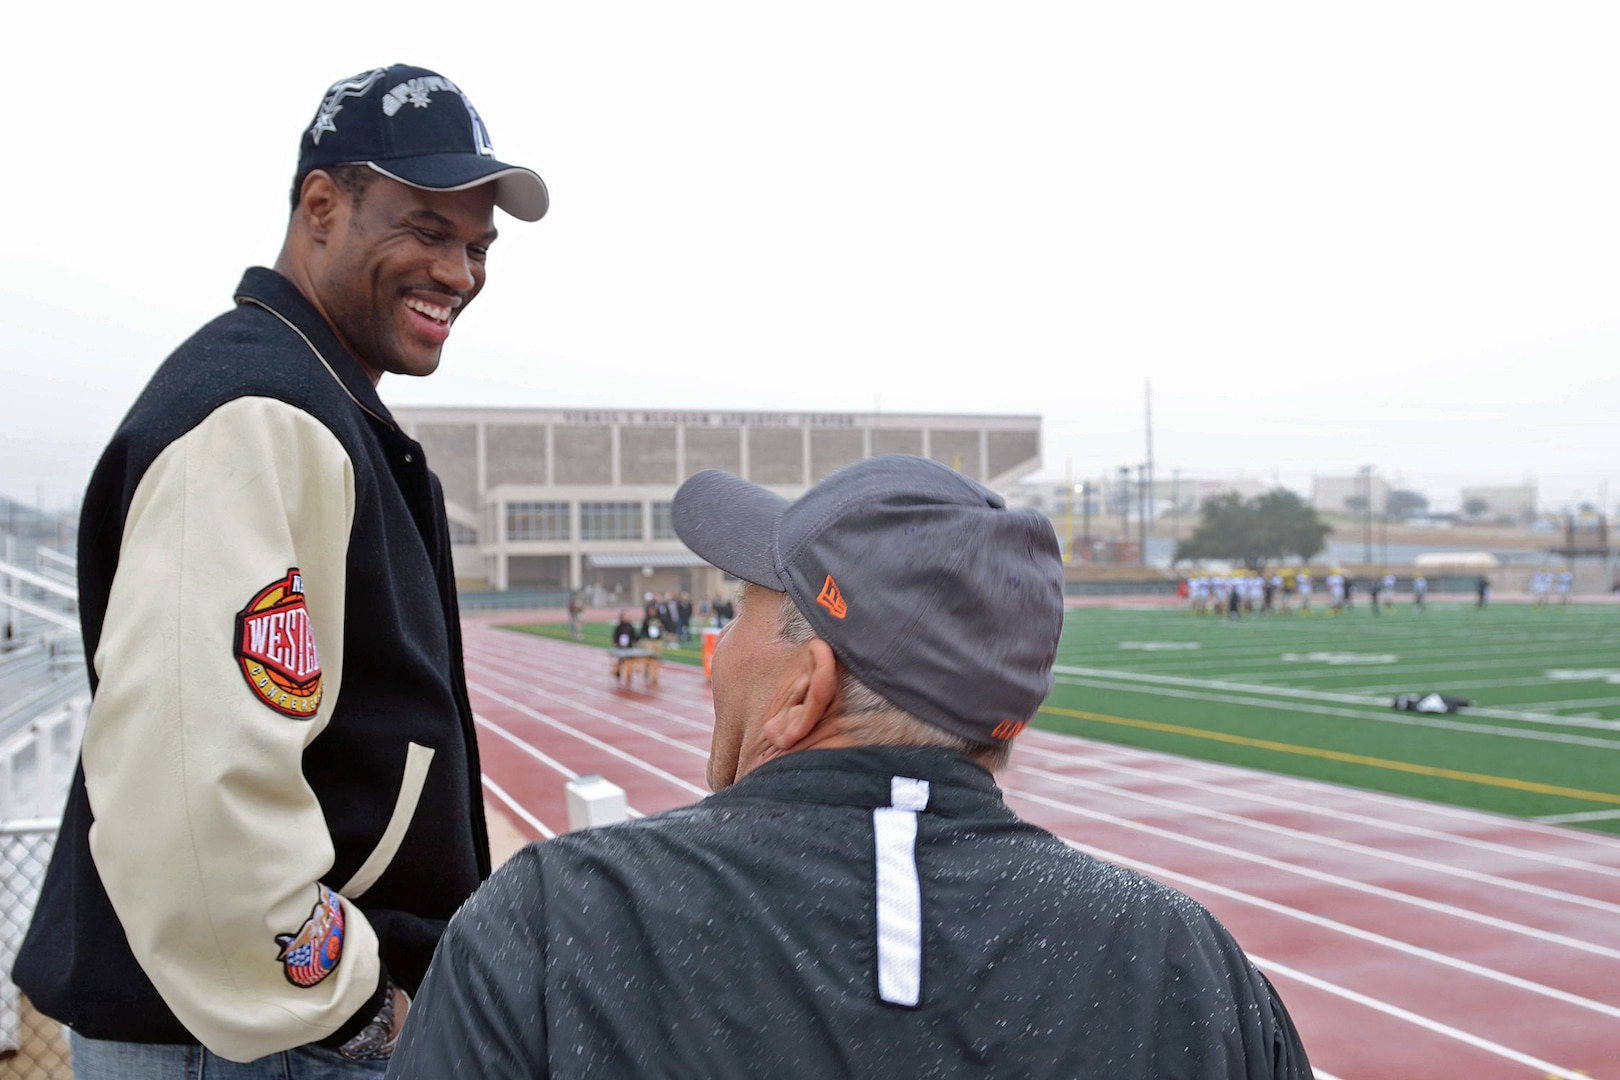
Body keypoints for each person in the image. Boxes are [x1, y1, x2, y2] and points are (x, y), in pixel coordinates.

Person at [384, 455, 1313, 1079]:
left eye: (739, 612)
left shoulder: (557, 919)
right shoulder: (1190, 962)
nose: (716, 650)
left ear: (806, 687)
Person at [13, 64, 547, 1075]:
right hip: (249, 1042)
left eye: (478, 247)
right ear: (319, 208)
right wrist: (355, 1008)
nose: (462, 273)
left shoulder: (308, 400)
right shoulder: (259, 415)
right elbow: (193, 787)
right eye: (428, 230)